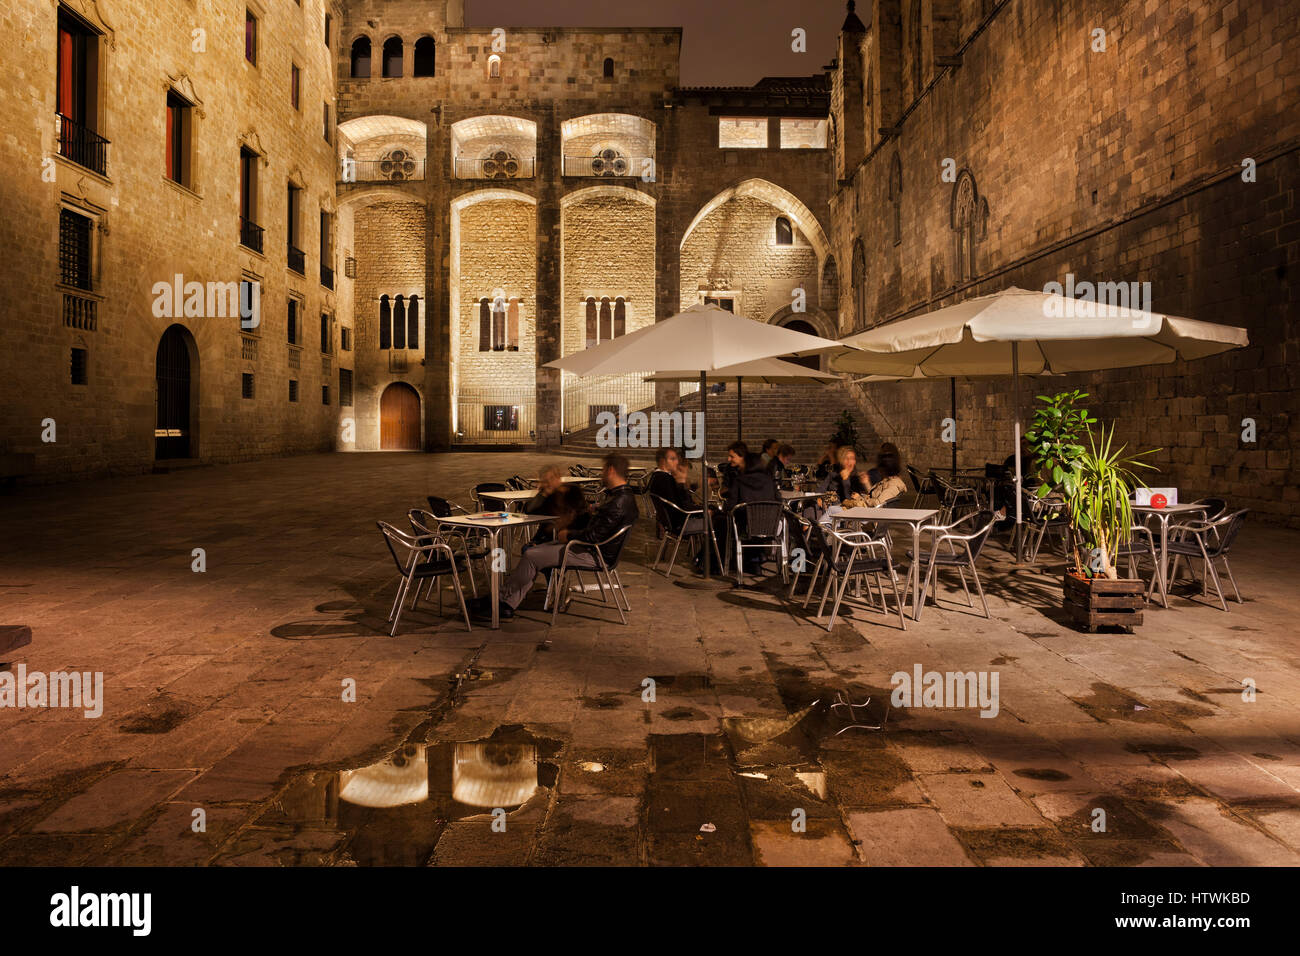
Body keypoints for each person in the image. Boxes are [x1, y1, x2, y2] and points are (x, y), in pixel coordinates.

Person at [469, 454, 638, 621]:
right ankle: (502, 601)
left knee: (531, 555)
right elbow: (531, 511)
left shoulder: (617, 502)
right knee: (533, 552)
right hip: (594, 549)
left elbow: (592, 535)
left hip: (593, 553)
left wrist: (568, 534)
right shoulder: (623, 498)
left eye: (603, 470)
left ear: (610, 470)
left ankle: (502, 603)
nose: (601, 474)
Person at [523, 463, 588, 544]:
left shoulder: (573, 490)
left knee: (529, 552)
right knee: (526, 549)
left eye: (552, 478)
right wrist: (543, 494)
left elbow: (580, 513)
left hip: (568, 536)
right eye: (546, 481)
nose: (549, 483)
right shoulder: (546, 496)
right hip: (546, 537)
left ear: (559, 478)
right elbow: (528, 511)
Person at [647, 447, 696, 533]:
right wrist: (682, 481)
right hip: (681, 523)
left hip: (671, 522)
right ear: (662, 461)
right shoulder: (665, 479)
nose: (677, 462)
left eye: (676, 459)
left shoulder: (656, 476)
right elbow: (681, 505)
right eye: (673, 459)